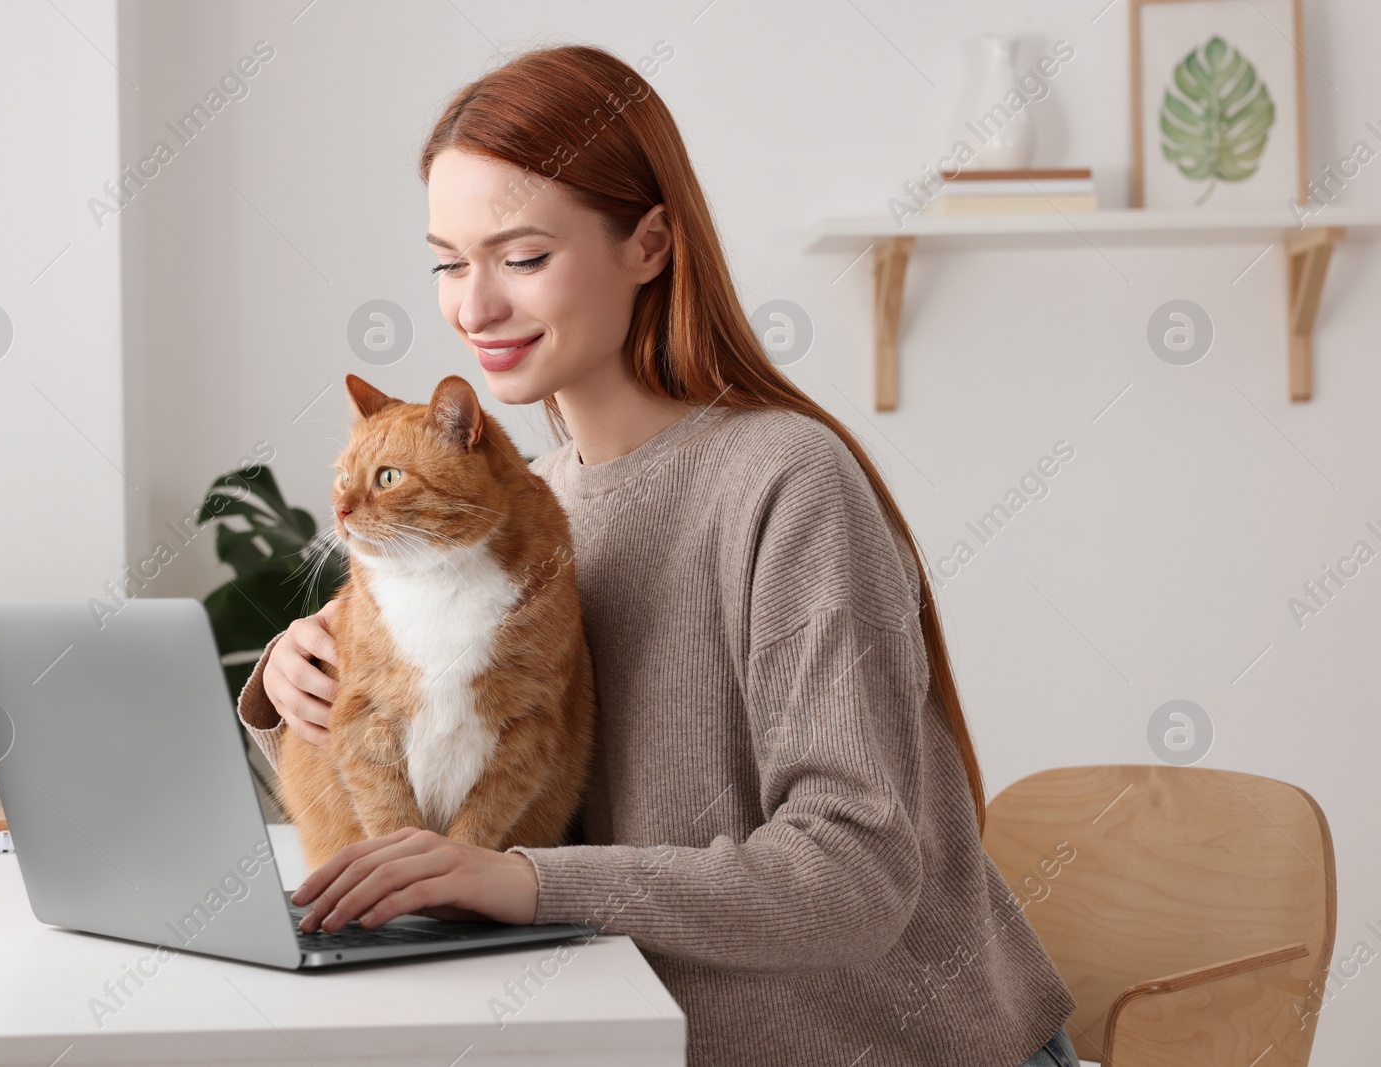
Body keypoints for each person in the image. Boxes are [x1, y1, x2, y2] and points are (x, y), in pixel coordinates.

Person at [234, 43, 1080, 1067]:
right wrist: (306, 685)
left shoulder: (783, 480)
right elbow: (503, 787)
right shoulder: (521, 514)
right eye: (449, 262)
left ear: (648, 244)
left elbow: (853, 874)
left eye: (523, 257)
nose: (474, 308)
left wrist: (531, 883)